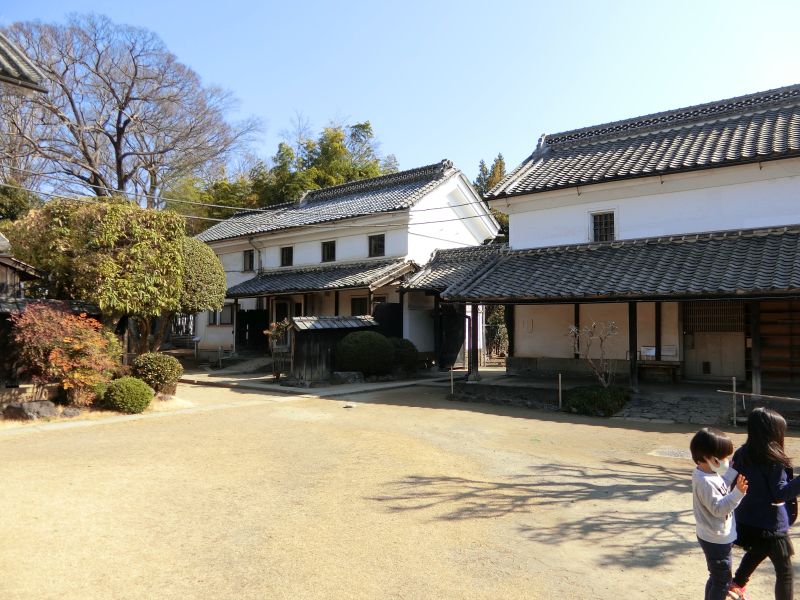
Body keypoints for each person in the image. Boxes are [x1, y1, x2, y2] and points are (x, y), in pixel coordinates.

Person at [731, 407, 800, 600]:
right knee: (784, 572)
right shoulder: (773, 459)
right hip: (771, 524)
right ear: (773, 432)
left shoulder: (742, 453)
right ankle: (737, 583)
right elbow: (780, 494)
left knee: (758, 549)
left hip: (746, 519)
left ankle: (737, 584)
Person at [691, 427, 749, 600]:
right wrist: (738, 493)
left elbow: (721, 484)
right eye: (723, 457)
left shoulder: (706, 473)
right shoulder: (706, 482)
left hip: (711, 535)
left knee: (716, 577)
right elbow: (719, 509)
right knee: (722, 581)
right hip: (716, 538)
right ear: (709, 457)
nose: (726, 461)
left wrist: (731, 471)